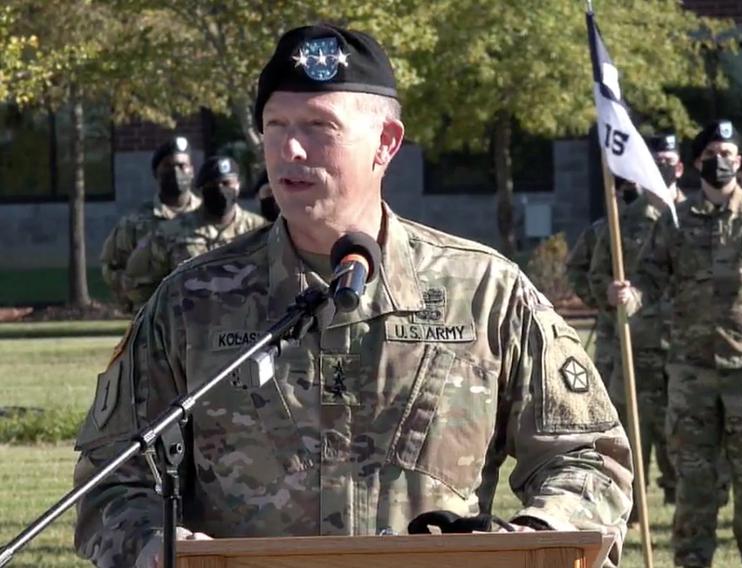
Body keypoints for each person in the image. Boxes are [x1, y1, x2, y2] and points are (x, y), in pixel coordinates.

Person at [73, 24, 634, 568]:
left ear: (386, 144)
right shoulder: (191, 302)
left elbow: (588, 458)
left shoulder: (484, 293)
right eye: (275, 125)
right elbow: (110, 477)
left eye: (320, 127)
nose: (290, 148)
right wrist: (152, 543)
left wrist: (532, 542)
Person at [607, 119, 742, 568]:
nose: (721, 162)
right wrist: (628, 296)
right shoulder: (676, 220)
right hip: (692, 371)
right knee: (694, 477)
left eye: (728, 154)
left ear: (740, 161)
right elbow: (648, 277)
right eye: (711, 156)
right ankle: (691, 559)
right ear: (696, 165)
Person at [588, 132, 686, 522]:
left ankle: (686, 506)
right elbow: (596, 274)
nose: (663, 165)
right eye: (656, 157)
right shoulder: (622, 219)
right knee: (631, 432)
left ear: (679, 167)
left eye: (669, 160)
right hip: (638, 341)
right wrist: (609, 296)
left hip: (688, 345)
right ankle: (633, 512)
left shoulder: (694, 217)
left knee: (683, 430)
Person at [122, 156, 267, 306]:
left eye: (226, 183)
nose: (221, 189)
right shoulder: (170, 232)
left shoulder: (260, 230)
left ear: (238, 185)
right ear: (201, 189)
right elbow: (136, 281)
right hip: (189, 324)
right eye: (213, 184)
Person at [99, 137, 200, 312]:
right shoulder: (135, 223)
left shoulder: (205, 216)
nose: (176, 172)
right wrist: (132, 289)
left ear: (191, 171)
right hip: (152, 317)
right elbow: (111, 266)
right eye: (168, 167)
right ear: (156, 173)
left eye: (182, 166)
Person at [565, 217, 612, 387]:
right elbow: (575, 269)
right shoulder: (603, 229)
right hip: (613, 333)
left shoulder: (670, 223)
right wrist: (600, 297)